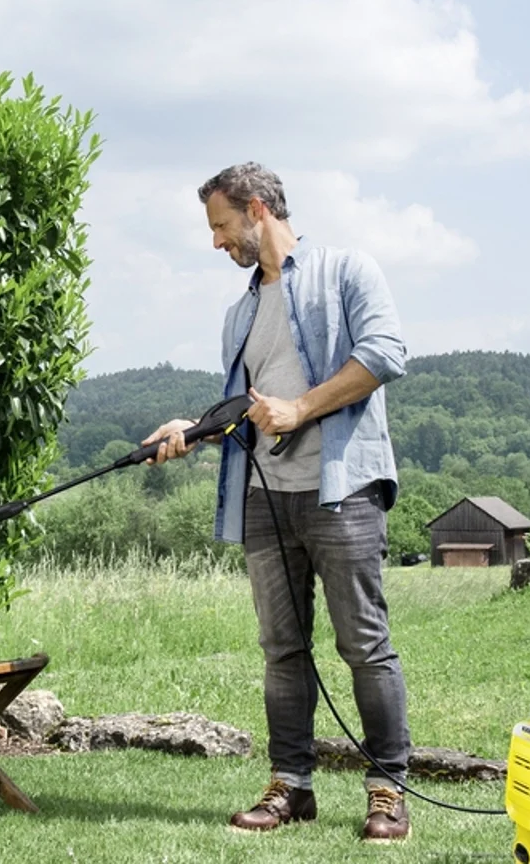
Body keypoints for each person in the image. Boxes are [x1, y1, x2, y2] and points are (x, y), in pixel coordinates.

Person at [143, 162, 412, 842]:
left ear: (257, 209)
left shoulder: (347, 270)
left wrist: (301, 408)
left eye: (221, 225)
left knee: (364, 646)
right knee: (282, 652)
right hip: (266, 502)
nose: (215, 242)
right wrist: (191, 430)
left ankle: (387, 791)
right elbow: (246, 412)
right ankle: (291, 787)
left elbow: (384, 353)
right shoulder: (241, 312)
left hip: (341, 492)